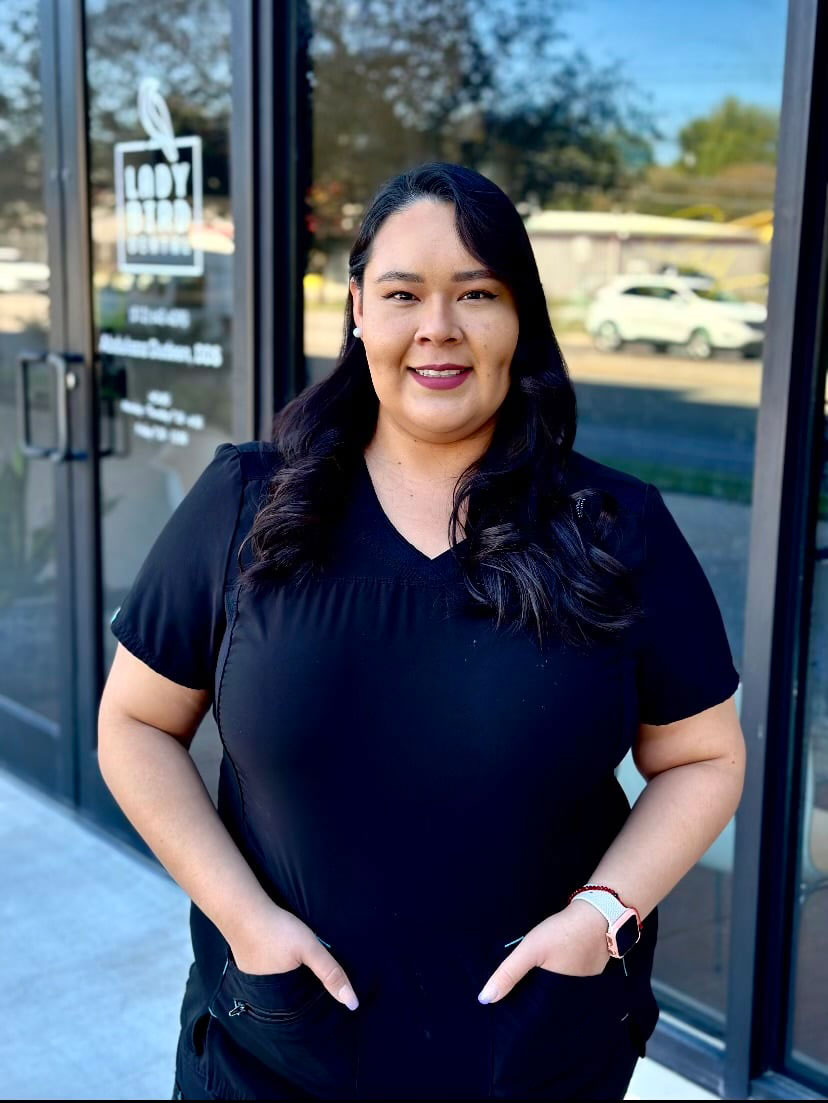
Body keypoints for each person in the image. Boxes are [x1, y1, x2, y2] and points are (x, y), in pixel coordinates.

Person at [97, 161, 746, 1101]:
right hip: (279, 1050)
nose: (437, 327)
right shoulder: (247, 502)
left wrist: (603, 913)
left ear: (519, 318)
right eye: (404, 293)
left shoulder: (616, 525)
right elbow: (135, 723)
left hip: (532, 1056)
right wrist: (246, 923)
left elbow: (703, 756)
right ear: (359, 308)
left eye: (476, 293)